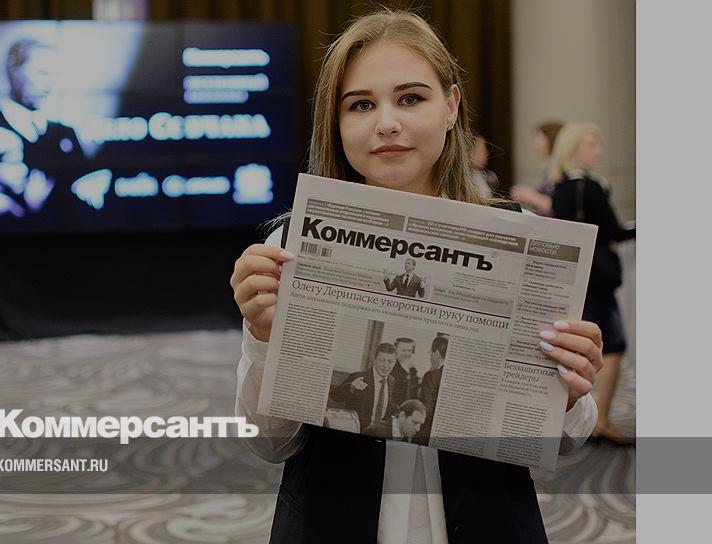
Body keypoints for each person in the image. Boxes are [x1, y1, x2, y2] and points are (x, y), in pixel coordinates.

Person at [231, 8, 604, 543]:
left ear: (451, 106)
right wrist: (263, 337)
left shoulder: (523, 241)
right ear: (335, 123)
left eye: (410, 98)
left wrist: (568, 392)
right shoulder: (289, 246)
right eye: (361, 104)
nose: (386, 123)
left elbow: (565, 442)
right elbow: (269, 443)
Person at [548, 122, 635, 444]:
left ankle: (589, 416)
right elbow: (614, 231)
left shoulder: (560, 186)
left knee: (582, 344)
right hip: (598, 278)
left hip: (576, 274)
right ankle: (602, 419)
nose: (599, 151)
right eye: (592, 144)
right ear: (573, 148)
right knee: (612, 347)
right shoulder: (590, 187)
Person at [0, 38, 85, 217]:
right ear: (13, 70)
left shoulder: (66, 135)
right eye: (42, 73)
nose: (49, 86)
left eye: (54, 75)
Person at [329, 343, 398, 432]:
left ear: (395, 363)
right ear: (374, 360)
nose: (386, 365)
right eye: (382, 360)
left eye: (390, 362)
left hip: (379, 432)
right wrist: (351, 387)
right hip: (357, 430)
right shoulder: (358, 377)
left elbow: (389, 406)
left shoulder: (392, 381)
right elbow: (334, 396)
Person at [510, 121, 564, 216]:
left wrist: (531, 196)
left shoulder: (562, 168)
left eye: (539, 141)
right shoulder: (551, 167)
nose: (536, 146)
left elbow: (558, 205)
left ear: (552, 140)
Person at [414, 335, 447, 445]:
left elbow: (425, 410)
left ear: (436, 353)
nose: (430, 357)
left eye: (430, 353)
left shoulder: (431, 376)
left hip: (426, 434)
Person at [389, 337, 420, 411]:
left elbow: (413, 395)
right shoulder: (390, 368)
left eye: (409, 351)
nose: (407, 354)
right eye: (403, 350)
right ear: (395, 351)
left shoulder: (413, 370)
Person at [468, 134, 498, 198]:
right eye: (481, 150)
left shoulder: (488, 177)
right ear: (469, 153)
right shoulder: (465, 180)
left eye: (485, 150)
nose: (486, 153)